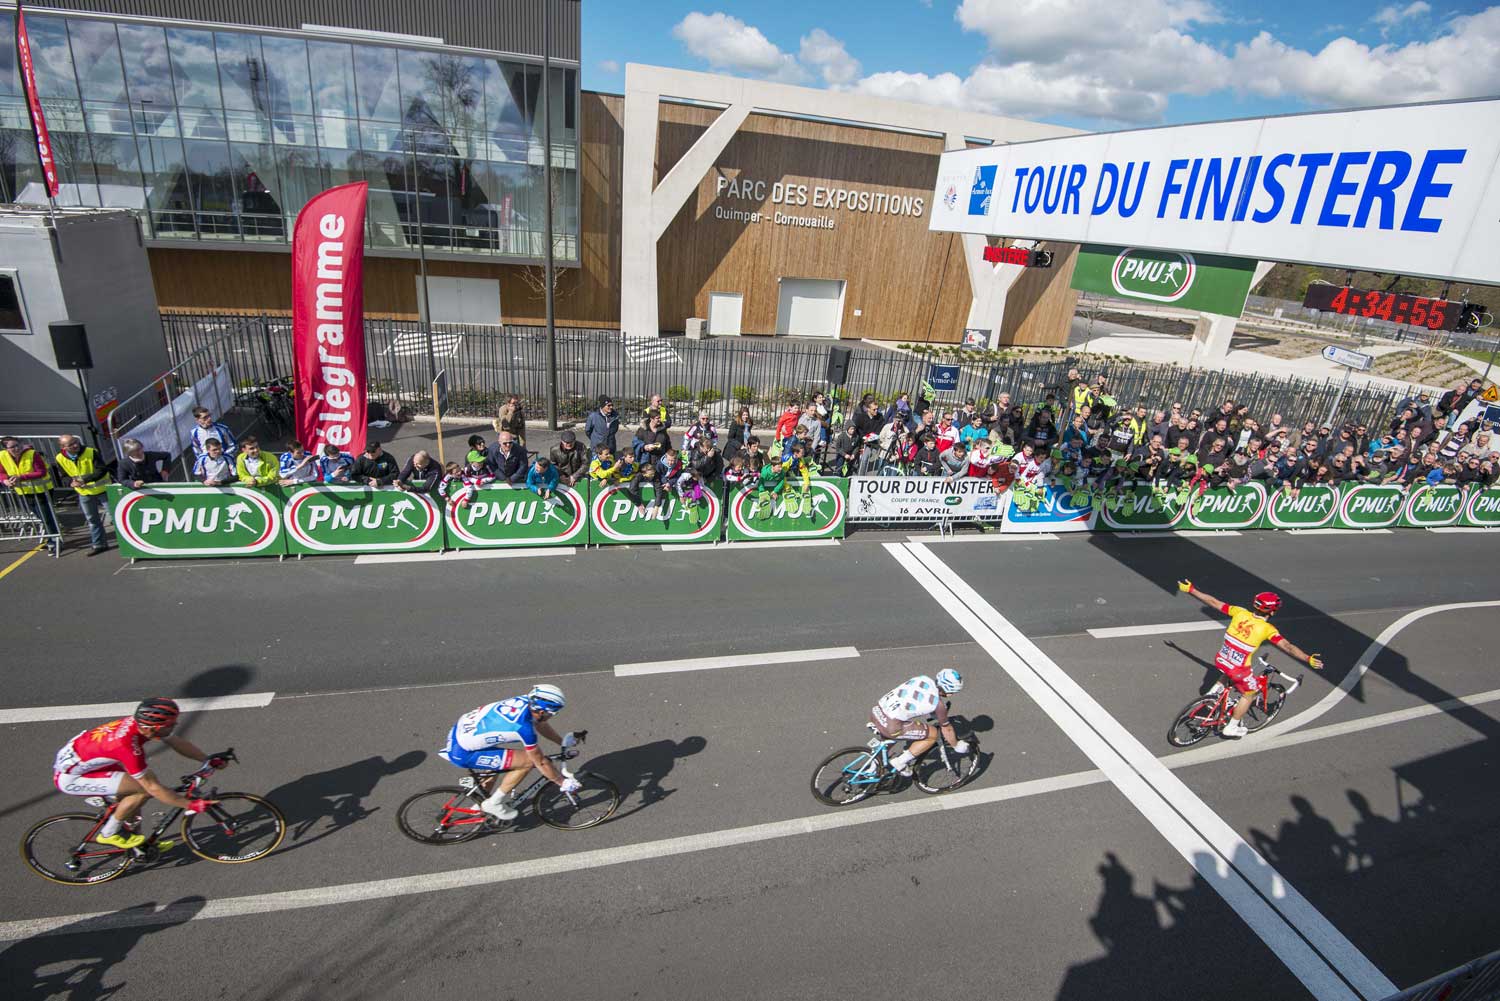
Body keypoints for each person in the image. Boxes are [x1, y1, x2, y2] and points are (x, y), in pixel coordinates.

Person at [51, 698, 222, 849]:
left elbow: (176, 741)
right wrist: (190, 805)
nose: (175, 725)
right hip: (72, 778)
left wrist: (206, 759)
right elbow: (152, 788)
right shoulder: (127, 748)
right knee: (142, 791)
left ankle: (138, 844)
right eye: (170, 724)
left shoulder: (141, 725)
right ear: (152, 728)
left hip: (89, 764)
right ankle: (108, 834)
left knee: (135, 800)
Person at [1176, 582, 1323, 739]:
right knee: (1250, 693)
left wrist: (1192, 590)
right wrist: (1307, 658)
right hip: (1238, 669)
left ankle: (1214, 693)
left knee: (1228, 671)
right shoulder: (1268, 630)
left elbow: (1214, 602)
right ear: (1272, 612)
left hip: (1221, 658)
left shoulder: (1239, 612)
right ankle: (1231, 727)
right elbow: (1288, 647)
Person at [438, 684, 581, 821]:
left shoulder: (526, 701)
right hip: (463, 752)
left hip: (460, 733)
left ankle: (479, 807)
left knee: (499, 764)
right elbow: (541, 762)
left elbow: (540, 723)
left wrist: (560, 741)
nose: (553, 716)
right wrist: (561, 782)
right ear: (543, 711)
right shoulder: (523, 728)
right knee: (528, 761)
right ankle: (494, 803)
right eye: (553, 713)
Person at [870, 669, 968, 777]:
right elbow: (947, 729)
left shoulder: (922, 679)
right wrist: (956, 745)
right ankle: (900, 762)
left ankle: (872, 767)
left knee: (890, 739)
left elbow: (914, 698)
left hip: (877, 712)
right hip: (891, 725)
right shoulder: (938, 705)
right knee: (933, 734)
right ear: (949, 692)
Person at [53, 435, 114, 554]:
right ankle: (99, 545)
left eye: (76, 442)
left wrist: (84, 480)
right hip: (84, 493)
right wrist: (71, 482)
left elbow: (101, 470)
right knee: (92, 520)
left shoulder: (91, 452)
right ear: (63, 447)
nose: (75, 445)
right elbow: (64, 475)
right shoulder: (60, 458)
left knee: (116, 516)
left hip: (103, 490)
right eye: (71, 444)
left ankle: (127, 543)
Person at [2, 435, 60, 537]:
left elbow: (41, 472)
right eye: (12, 447)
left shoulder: (32, 453)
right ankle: (53, 536)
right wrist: (5, 480)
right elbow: (1, 473)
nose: (17, 448)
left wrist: (21, 477)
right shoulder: (2, 456)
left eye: (18, 445)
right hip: (24, 492)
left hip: (42, 490)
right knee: (41, 517)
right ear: (6, 449)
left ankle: (53, 541)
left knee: (46, 517)